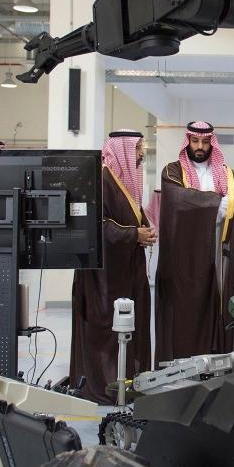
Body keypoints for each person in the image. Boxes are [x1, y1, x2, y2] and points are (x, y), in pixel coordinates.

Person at [70, 130, 155, 403]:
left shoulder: (123, 182)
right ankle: (106, 386)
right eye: (138, 148)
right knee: (107, 329)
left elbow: (128, 216)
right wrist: (134, 235)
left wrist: (144, 230)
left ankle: (128, 382)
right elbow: (95, 225)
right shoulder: (102, 180)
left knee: (129, 328)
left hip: (127, 271)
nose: (141, 154)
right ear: (123, 150)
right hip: (104, 279)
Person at [155, 121, 234, 362]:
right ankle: (185, 360)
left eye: (205, 142)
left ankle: (219, 357)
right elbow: (179, 199)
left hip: (217, 250)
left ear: (211, 144)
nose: (200, 146)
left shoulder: (226, 174)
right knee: (189, 308)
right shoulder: (173, 171)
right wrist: (216, 203)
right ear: (187, 141)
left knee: (217, 302)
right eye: (195, 141)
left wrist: (207, 206)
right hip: (185, 257)